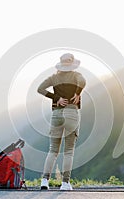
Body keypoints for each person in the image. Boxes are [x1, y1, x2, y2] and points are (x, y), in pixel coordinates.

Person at [37, 53, 86, 190]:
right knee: (69, 151)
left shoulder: (54, 77)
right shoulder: (76, 76)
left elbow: (40, 88)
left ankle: (44, 181)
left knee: (53, 150)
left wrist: (56, 98)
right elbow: (83, 82)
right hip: (72, 114)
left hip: (57, 114)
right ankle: (65, 183)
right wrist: (78, 92)